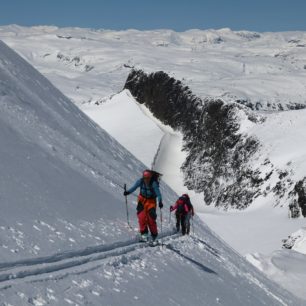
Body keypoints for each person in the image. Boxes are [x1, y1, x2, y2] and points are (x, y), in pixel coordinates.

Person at [124, 170, 163, 242]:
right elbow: (134, 187)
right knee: (141, 217)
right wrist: (128, 192)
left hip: (151, 202)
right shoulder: (140, 181)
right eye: (145, 178)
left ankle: (154, 235)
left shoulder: (153, 183)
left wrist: (160, 201)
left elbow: (158, 194)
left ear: (150, 177)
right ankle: (144, 235)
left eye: (147, 178)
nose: (146, 180)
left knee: (151, 219)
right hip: (142, 200)